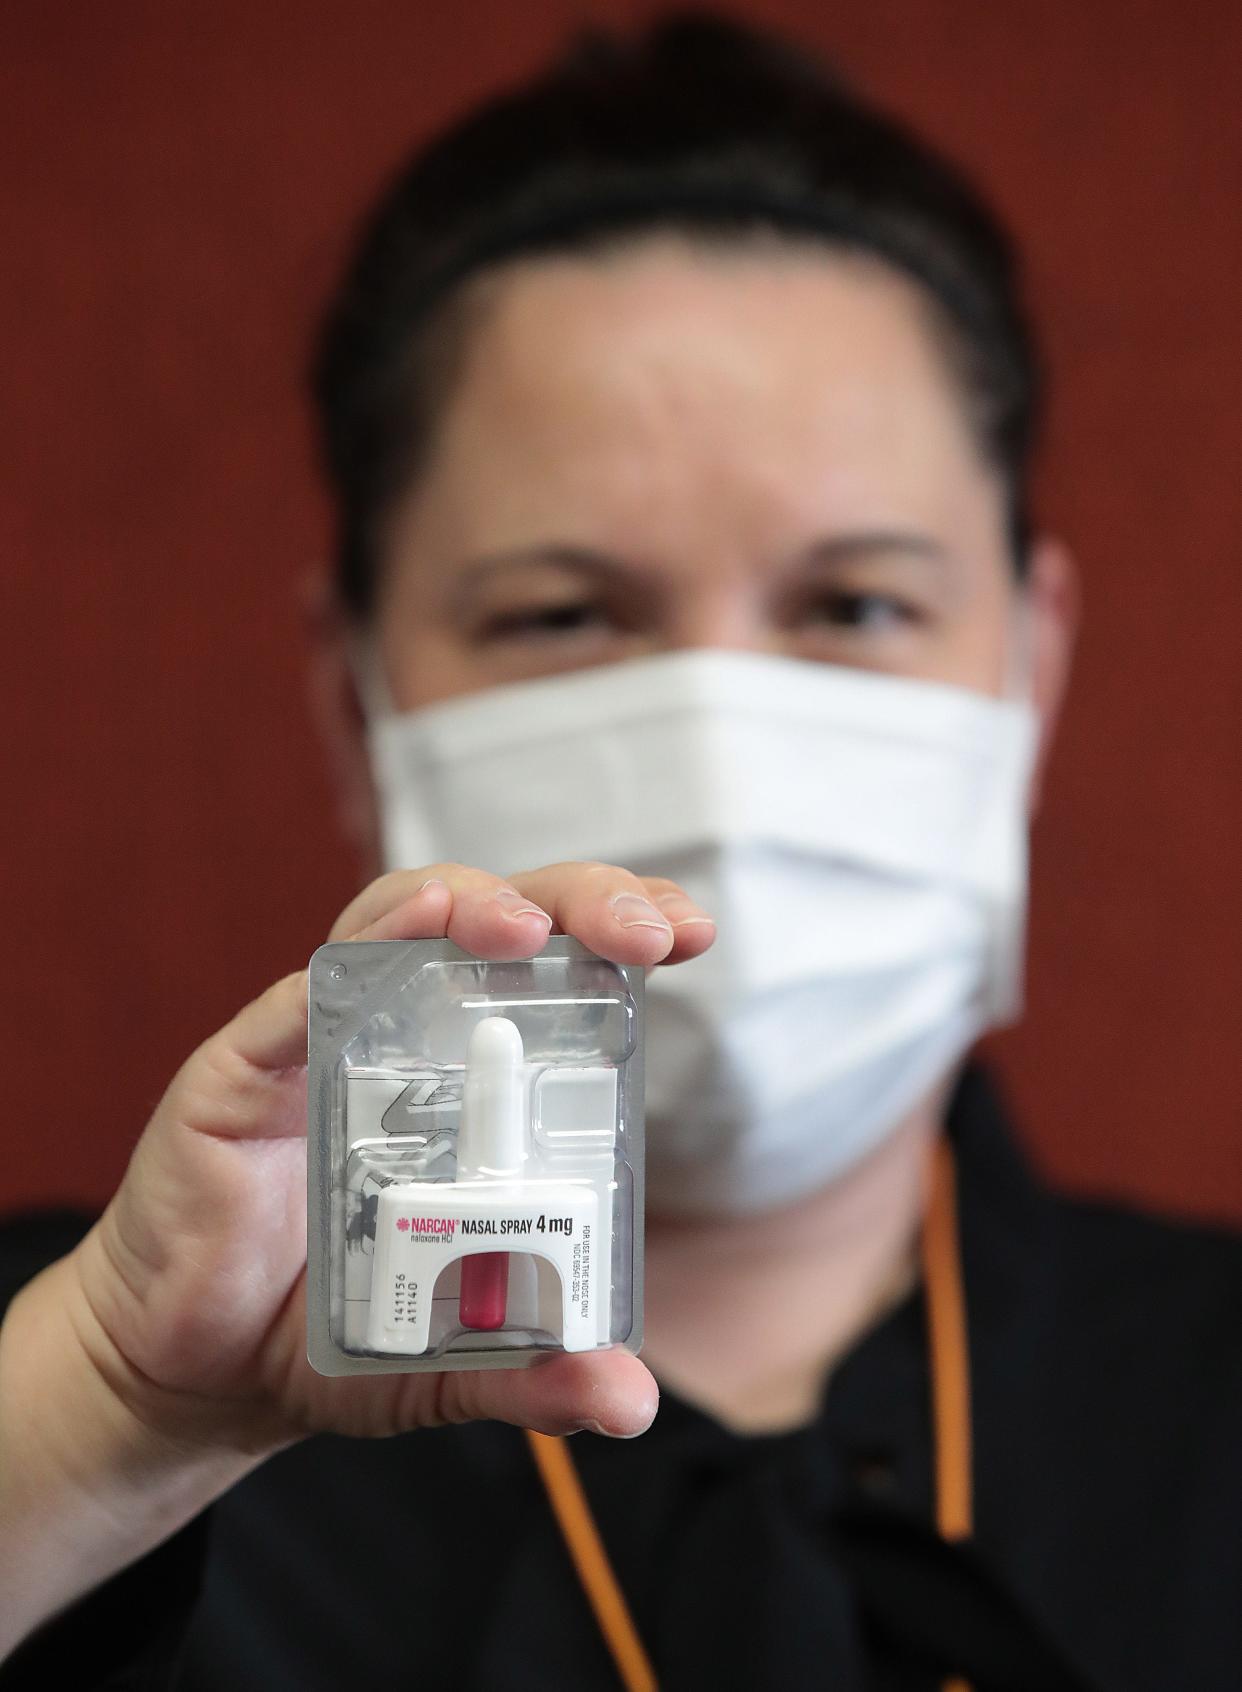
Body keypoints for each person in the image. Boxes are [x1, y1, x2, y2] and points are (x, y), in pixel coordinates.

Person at [2, 13, 1240, 1690]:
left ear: (1032, 658)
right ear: (354, 695)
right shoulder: (71, 1373)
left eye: (854, 603)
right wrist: (100, 1433)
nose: (720, 739)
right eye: (564, 612)